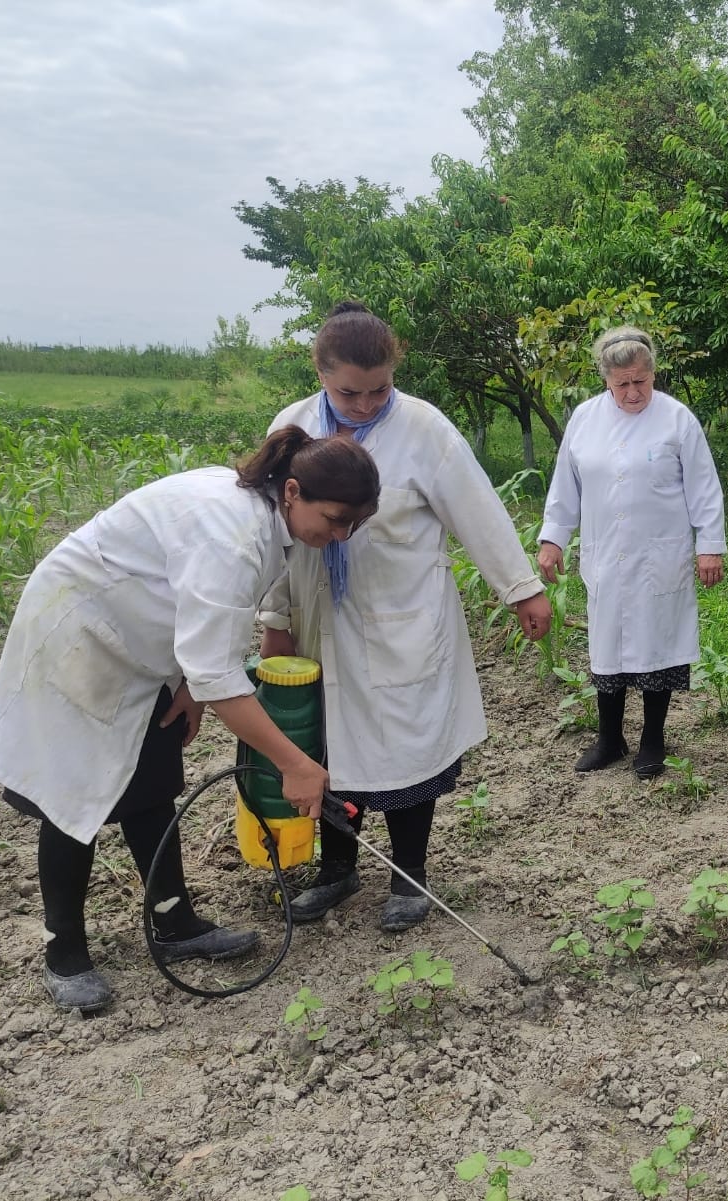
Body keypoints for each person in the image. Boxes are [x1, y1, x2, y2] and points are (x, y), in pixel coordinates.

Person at [0, 428, 380, 1012]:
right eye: (336, 519)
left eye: (352, 527)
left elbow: (210, 637)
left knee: (153, 781)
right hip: (81, 634)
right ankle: (63, 952)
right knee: (70, 796)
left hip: (142, 644)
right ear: (292, 490)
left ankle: (175, 922)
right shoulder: (233, 533)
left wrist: (186, 683)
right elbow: (222, 677)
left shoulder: (269, 519)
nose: (339, 536)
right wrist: (293, 763)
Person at [259, 301, 551, 934]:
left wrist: (521, 588)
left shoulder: (424, 428)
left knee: (407, 751)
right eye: (349, 393)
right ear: (320, 373)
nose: (365, 405)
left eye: (379, 390)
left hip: (403, 617)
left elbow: (478, 512)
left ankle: (409, 877)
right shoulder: (293, 425)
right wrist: (275, 618)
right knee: (326, 746)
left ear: (394, 373)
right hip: (316, 619)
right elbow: (277, 533)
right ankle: (337, 870)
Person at [536, 326, 726, 780]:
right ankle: (609, 738)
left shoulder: (677, 420)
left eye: (640, 380)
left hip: (662, 557)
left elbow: (704, 488)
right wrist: (552, 538)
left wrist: (710, 547)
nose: (632, 391)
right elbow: (566, 485)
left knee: (658, 645)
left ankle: (653, 740)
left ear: (652, 373)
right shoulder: (585, 418)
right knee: (607, 648)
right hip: (607, 556)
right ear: (605, 380)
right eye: (622, 383)